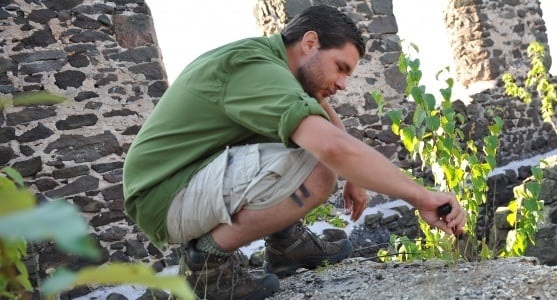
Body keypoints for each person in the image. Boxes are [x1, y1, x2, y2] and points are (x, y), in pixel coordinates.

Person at [122, 4, 466, 299]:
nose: (344, 83)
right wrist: (421, 197)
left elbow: (322, 118)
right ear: (310, 43)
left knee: (314, 152)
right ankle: (206, 267)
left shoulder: (272, 68)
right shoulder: (254, 67)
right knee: (319, 167)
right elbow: (331, 145)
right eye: (341, 67)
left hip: (179, 186)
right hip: (165, 195)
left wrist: (354, 179)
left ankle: (286, 244)